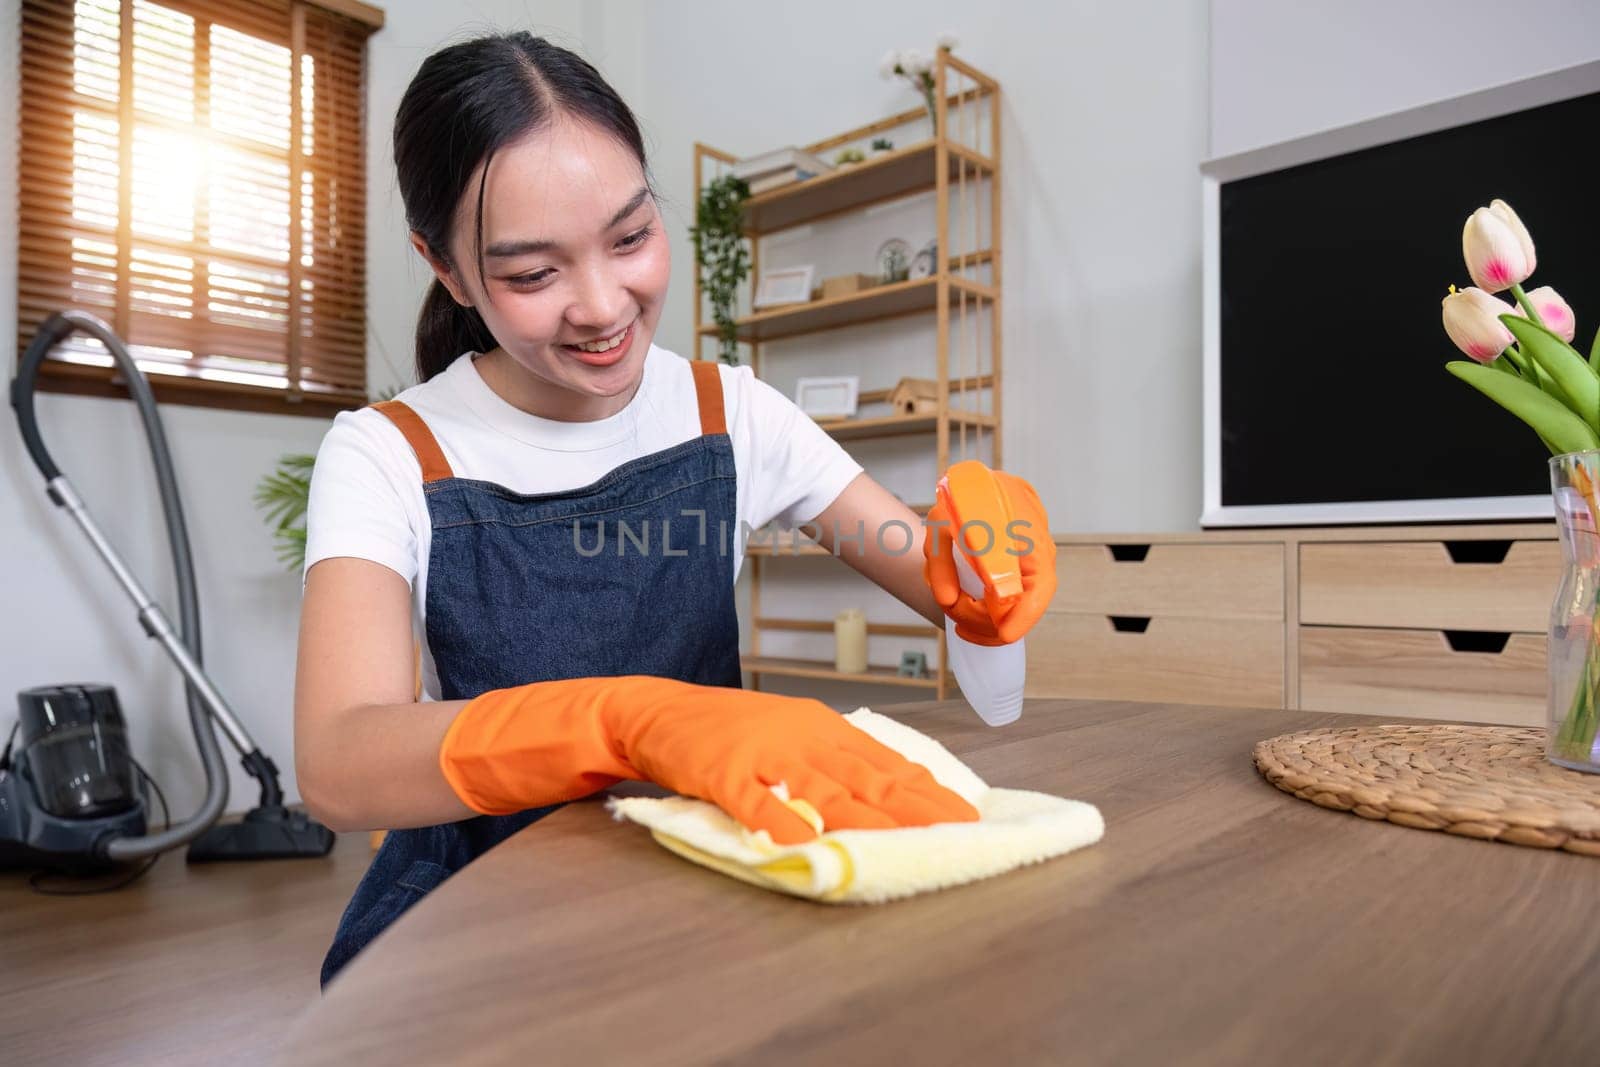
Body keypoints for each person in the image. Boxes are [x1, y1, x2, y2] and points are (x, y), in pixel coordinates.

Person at [294, 31, 1057, 988]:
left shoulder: (728, 413)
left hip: (714, 872)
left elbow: (932, 572)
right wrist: (625, 723)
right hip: (486, 909)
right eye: (534, 274)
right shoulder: (390, 451)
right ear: (445, 269)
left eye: (631, 238)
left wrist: (983, 572)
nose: (604, 305)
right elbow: (337, 761)